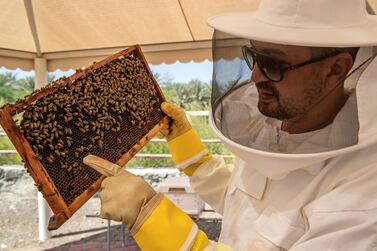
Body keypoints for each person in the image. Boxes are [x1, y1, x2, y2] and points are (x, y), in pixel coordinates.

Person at [84, 0, 377, 250]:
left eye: (273, 63)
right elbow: (242, 203)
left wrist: (154, 221)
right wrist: (191, 154)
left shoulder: (364, 189)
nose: (255, 77)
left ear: (335, 69)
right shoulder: (274, 130)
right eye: (255, 57)